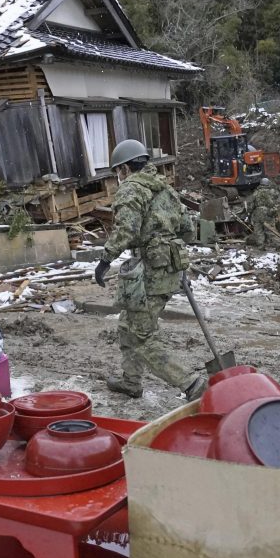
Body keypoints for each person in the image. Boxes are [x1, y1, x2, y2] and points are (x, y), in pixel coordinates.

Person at [94, 139, 205, 399]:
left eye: (117, 171)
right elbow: (187, 229)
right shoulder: (166, 190)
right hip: (168, 267)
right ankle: (131, 381)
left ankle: (190, 383)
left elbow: (126, 229)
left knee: (140, 335)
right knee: (128, 324)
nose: (119, 177)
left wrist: (105, 260)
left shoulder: (132, 189)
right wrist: (165, 245)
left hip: (151, 271)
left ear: (124, 168)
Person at [245, 177, 280, 247]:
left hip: (258, 213)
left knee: (258, 231)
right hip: (268, 213)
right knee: (270, 230)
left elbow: (251, 206)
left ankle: (261, 245)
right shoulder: (273, 192)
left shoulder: (256, 192)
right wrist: (274, 208)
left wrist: (249, 213)